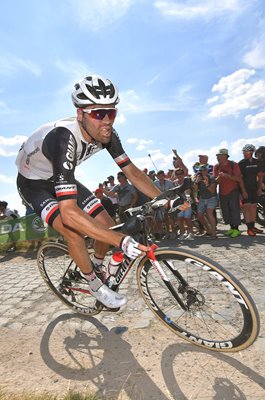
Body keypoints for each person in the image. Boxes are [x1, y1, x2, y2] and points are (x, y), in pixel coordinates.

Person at [16, 74, 162, 309]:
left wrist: (165, 198)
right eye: (98, 113)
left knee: (105, 224)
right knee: (73, 230)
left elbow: (132, 172)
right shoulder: (62, 138)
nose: (107, 121)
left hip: (59, 177)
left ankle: (95, 263)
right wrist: (121, 241)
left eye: (111, 113)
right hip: (34, 184)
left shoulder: (107, 134)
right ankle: (94, 284)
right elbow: (70, 214)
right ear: (80, 114)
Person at [213, 148, 245, 238]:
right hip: (222, 192)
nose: (217, 157)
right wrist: (219, 177)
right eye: (217, 156)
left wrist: (228, 176)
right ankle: (232, 228)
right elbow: (216, 182)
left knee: (234, 209)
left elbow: (239, 179)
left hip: (233, 190)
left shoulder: (233, 164)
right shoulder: (216, 166)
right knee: (225, 211)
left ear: (225, 156)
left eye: (219, 156)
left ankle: (236, 229)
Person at [238, 144, 263, 236]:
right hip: (245, 188)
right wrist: (243, 191)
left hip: (255, 188)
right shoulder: (241, 163)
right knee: (246, 207)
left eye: (246, 152)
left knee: (253, 207)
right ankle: (249, 229)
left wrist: (260, 188)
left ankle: (252, 227)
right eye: (243, 152)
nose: (244, 154)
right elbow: (240, 179)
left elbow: (260, 176)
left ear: (251, 152)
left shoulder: (258, 162)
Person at [194, 165, 218, 239]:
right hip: (202, 198)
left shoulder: (211, 177)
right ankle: (208, 230)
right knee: (199, 215)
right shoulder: (198, 179)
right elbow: (194, 190)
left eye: (202, 171)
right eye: (199, 171)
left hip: (211, 198)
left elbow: (212, 190)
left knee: (209, 212)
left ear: (206, 171)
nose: (200, 172)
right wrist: (196, 182)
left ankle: (214, 233)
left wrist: (206, 183)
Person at [173, 168, 194, 240]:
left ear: (183, 174)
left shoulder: (187, 180)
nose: (179, 175)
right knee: (180, 218)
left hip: (187, 202)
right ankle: (182, 233)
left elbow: (189, 190)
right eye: (177, 174)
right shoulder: (174, 183)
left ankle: (190, 233)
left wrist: (187, 196)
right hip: (179, 203)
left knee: (187, 218)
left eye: (180, 174)